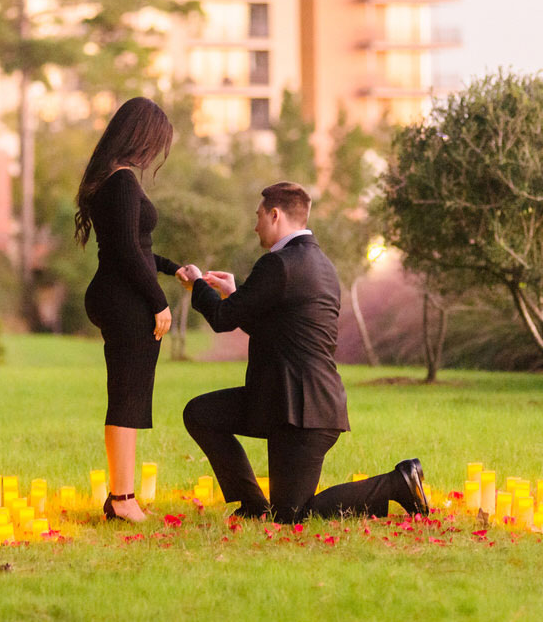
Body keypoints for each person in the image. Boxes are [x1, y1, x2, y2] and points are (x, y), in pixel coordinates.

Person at [175, 181, 429, 522]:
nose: (255, 226)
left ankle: (396, 483)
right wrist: (237, 294)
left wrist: (198, 285)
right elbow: (279, 330)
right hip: (283, 402)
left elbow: (222, 319)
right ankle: (251, 503)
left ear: (275, 214)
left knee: (292, 514)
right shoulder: (320, 264)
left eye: (259, 216)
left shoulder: (278, 264)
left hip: (305, 413)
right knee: (201, 412)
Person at [74, 97, 181, 523]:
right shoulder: (121, 182)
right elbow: (123, 252)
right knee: (127, 398)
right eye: (155, 143)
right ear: (140, 136)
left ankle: (123, 496)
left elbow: (137, 250)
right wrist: (159, 302)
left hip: (120, 294)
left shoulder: (111, 180)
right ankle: (122, 499)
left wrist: (175, 270)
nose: (155, 153)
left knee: (130, 397)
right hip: (125, 301)